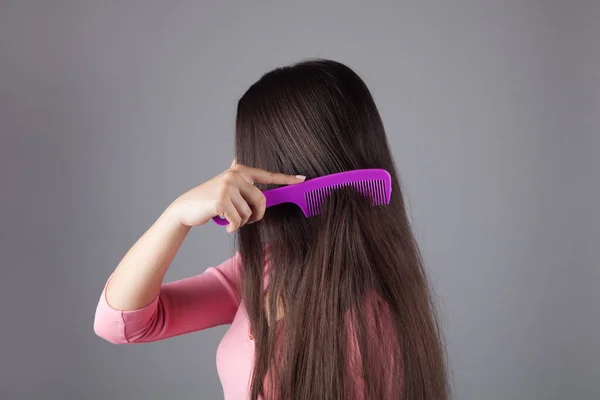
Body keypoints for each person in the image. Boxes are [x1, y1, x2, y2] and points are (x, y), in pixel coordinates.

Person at [94, 59, 449, 400]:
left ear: (277, 165)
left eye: (249, 155)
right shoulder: (266, 269)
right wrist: (176, 217)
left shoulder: (370, 322)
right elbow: (122, 322)